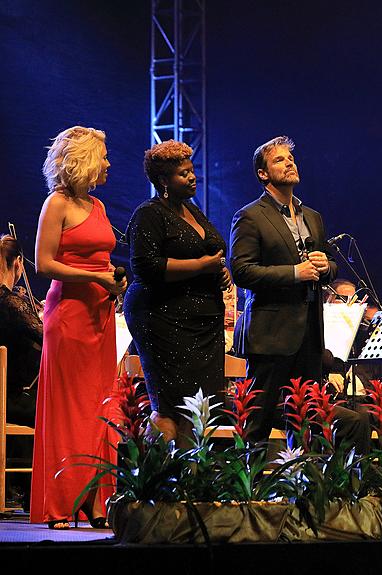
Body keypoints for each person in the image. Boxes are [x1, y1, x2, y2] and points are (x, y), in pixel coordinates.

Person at [230, 136, 367, 447]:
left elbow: (330, 266)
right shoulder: (250, 216)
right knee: (258, 418)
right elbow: (241, 271)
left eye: (290, 158)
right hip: (270, 333)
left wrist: (324, 266)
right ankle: (250, 488)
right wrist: (295, 273)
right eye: (279, 160)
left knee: (305, 416)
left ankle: (299, 482)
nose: (289, 162)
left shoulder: (312, 217)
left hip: (309, 333)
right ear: (263, 173)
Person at [31, 126, 127, 528]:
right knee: (70, 410)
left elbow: (100, 260)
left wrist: (112, 281)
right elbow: (44, 263)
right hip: (68, 316)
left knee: (100, 409)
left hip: (99, 316)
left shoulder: (99, 207)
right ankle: (62, 504)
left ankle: (98, 503)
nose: (107, 163)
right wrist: (94, 279)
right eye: (102, 157)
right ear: (85, 160)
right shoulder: (57, 203)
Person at [123, 140, 230, 445]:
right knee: (169, 405)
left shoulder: (193, 211)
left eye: (192, 169)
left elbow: (212, 254)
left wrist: (219, 270)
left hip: (202, 324)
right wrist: (201, 265)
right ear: (164, 181)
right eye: (184, 173)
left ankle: (188, 481)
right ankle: (154, 481)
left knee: (196, 408)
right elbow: (146, 267)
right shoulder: (149, 213)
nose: (192, 176)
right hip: (163, 319)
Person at [0, 235, 42, 427]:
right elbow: (49, 339)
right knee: (61, 405)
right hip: (9, 401)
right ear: (18, 263)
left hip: (7, 398)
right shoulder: (12, 304)